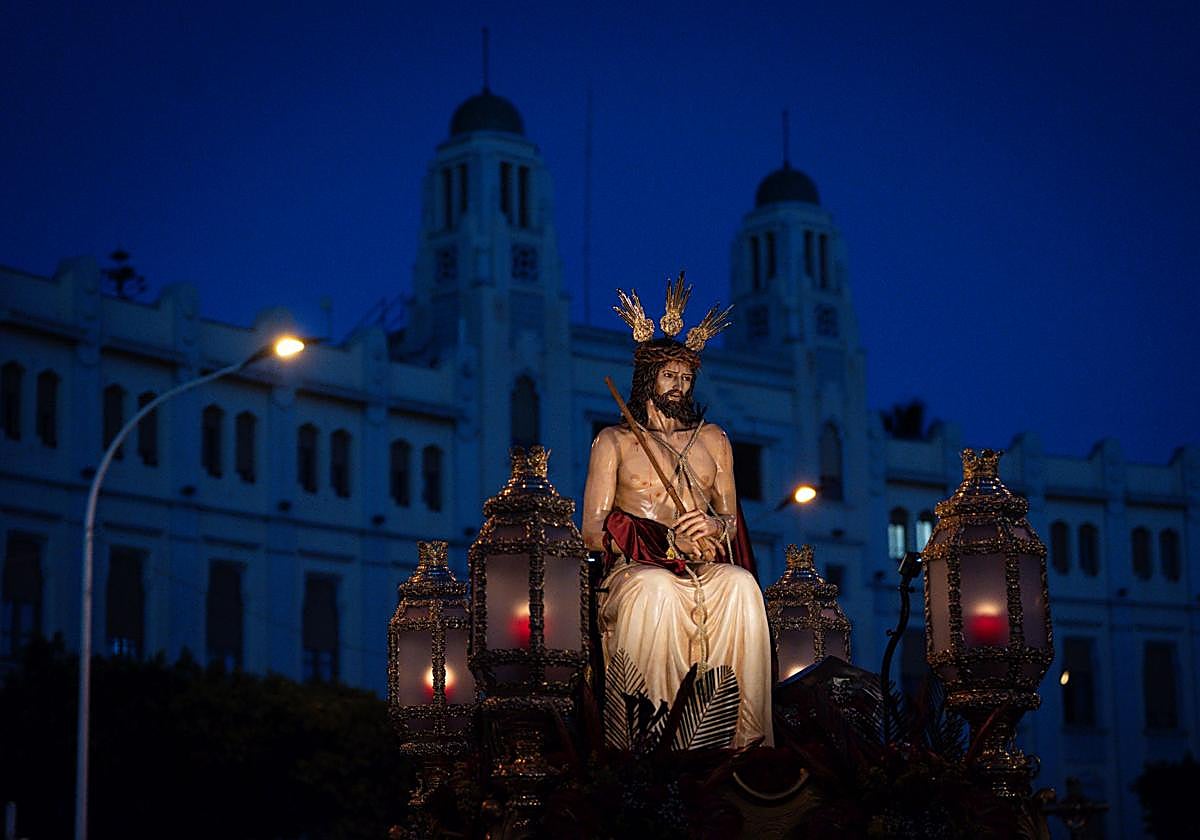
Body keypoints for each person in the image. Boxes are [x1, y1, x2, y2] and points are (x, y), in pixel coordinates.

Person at [582, 279, 773, 748]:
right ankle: (658, 740)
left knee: (741, 587)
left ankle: (741, 739)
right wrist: (664, 542)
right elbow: (590, 531)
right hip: (638, 569)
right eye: (670, 376)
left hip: (703, 565)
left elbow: (731, 521)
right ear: (648, 378)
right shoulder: (615, 442)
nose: (679, 386)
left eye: (686, 378)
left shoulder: (714, 440)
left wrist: (712, 526)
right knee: (657, 591)